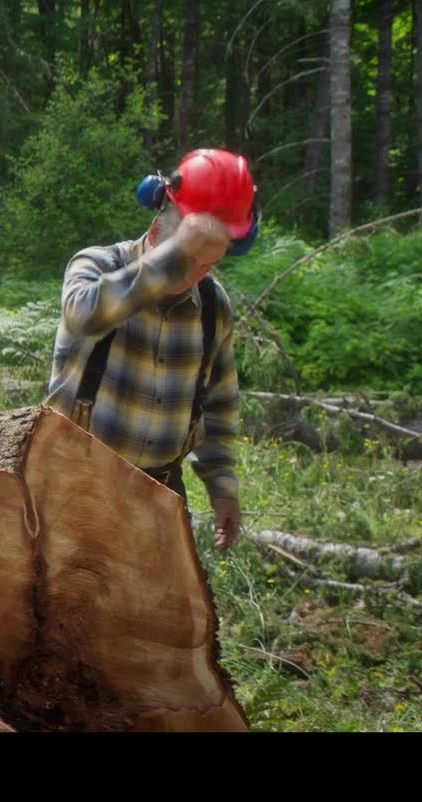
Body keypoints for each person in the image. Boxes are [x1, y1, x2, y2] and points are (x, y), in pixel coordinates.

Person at [44, 148, 261, 552]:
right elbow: (84, 314)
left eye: (208, 264)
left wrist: (223, 485)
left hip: (159, 496)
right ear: (160, 223)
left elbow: (219, 406)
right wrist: (167, 264)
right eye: (188, 258)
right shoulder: (98, 266)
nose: (193, 274)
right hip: (72, 484)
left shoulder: (213, 307)